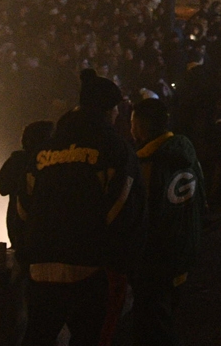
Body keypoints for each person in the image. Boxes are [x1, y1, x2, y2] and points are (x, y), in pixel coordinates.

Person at [23, 70, 145, 346]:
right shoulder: (115, 148)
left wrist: (27, 251)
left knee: (38, 336)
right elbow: (125, 204)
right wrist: (120, 260)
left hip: (40, 266)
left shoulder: (46, 148)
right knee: (90, 337)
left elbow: (24, 204)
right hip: (90, 268)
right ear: (109, 110)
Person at [130, 97, 205, 346]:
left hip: (156, 259)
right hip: (185, 249)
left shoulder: (146, 165)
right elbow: (201, 202)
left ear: (140, 125)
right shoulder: (187, 154)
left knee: (154, 325)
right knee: (169, 314)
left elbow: (141, 218)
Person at [0, 119, 54, 255]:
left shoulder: (16, 160)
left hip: (16, 227)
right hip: (38, 230)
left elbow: (2, 187)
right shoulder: (45, 164)